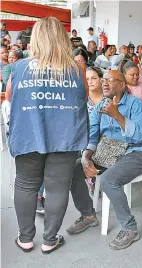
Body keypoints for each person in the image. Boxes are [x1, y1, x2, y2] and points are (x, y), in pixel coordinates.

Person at [5, 17, 89, 254]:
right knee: (58, 187)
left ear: (36, 39)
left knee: (25, 185)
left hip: (29, 134)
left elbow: (10, 98)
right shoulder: (77, 69)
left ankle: (25, 239)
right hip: (65, 136)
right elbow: (82, 98)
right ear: (63, 39)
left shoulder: (19, 67)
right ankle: (50, 240)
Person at [67, 70, 142, 250]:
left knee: (108, 180)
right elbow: (92, 138)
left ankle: (130, 228)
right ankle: (89, 215)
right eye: (103, 80)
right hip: (108, 151)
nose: (104, 83)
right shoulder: (99, 107)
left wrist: (117, 115)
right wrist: (86, 156)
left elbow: (140, 136)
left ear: (122, 85)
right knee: (73, 170)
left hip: (136, 152)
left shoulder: (135, 104)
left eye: (109, 80)